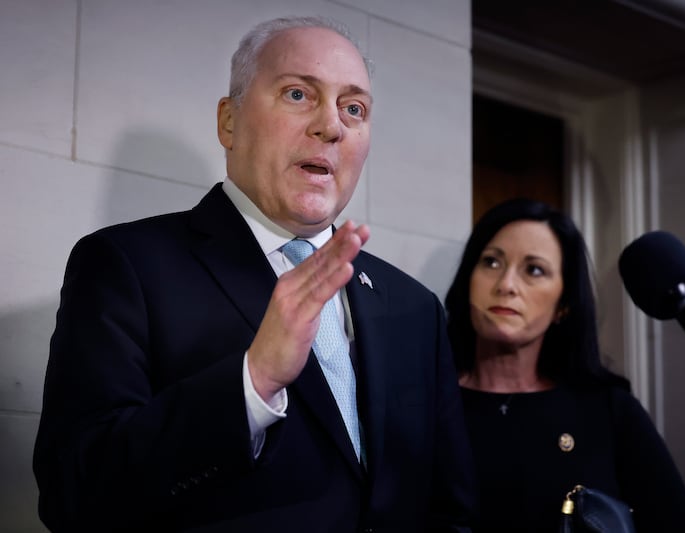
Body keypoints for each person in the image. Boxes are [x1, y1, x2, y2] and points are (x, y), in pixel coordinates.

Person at [33, 16, 475, 532]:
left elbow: (451, 509)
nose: (330, 125)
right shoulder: (125, 266)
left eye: (353, 108)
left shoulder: (415, 307)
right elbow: (74, 496)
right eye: (297, 94)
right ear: (229, 122)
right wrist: (254, 381)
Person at [444, 198, 685, 532]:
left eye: (534, 270)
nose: (506, 285)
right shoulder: (429, 401)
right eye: (491, 262)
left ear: (564, 305)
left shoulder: (609, 410)